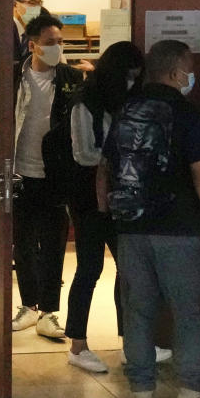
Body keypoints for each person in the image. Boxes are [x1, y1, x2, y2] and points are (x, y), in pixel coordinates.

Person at [97, 39, 200, 398]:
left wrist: (108, 214)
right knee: (188, 313)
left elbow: (103, 169)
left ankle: (141, 396)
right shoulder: (186, 112)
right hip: (178, 229)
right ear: (174, 72)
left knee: (138, 312)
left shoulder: (126, 109)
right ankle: (188, 397)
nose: (190, 76)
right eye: (188, 69)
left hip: (130, 226)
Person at [65, 41, 144, 373]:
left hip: (119, 196)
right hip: (88, 198)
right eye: (127, 76)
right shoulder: (85, 104)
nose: (131, 82)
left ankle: (130, 341)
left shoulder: (123, 102)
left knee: (128, 270)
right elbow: (83, 153)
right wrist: (121, 158)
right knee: (89, 268)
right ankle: (78, 344)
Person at [11, 14, 83, 339]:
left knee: (54, 244)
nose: (57, 48)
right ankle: (28, 305)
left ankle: (49, 312)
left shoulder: (71, 78)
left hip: (55, 175)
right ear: (33, 45)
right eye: (50, 42)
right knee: (23, 243)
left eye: (60, 42)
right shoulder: (14, 76)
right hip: (19, 173)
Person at [13, 0, 49, 66]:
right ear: (14, 4)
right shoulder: (4, 32)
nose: (37, 8)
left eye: (39, 3)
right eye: (32, 3)